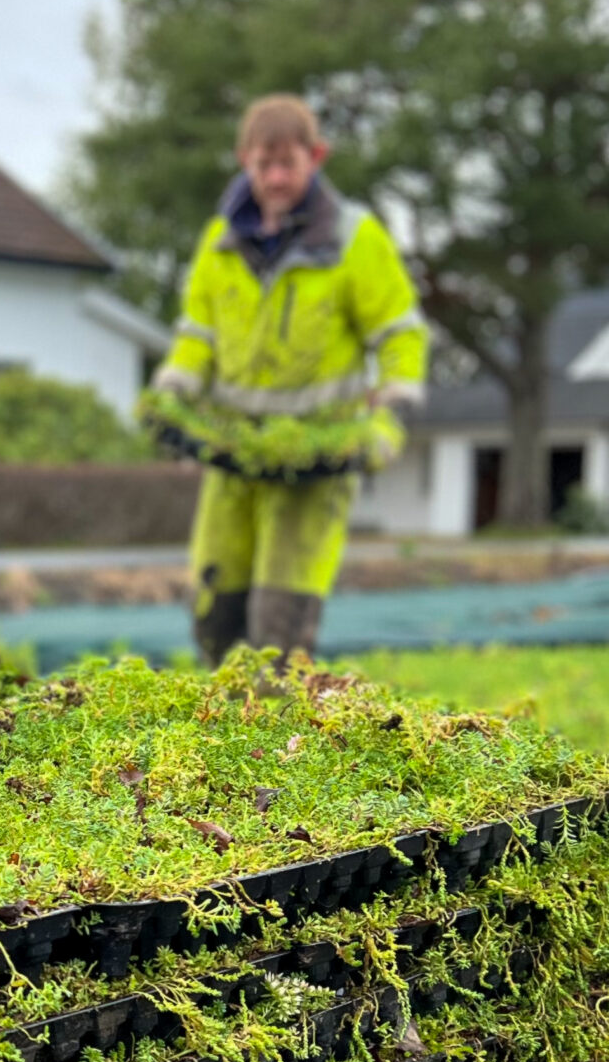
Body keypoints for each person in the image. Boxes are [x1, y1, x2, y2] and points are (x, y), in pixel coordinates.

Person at [149, 95, 426, 664]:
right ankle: (226, 737)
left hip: (315, 462)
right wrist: (174, 391)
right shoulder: (220, 241)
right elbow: (197, 334)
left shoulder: (353, 239)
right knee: (215, 613)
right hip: (235, 456)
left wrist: (392, 413)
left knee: (278, 628)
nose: (275, 178)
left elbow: (400, 333)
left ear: (316, 157)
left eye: (288, 165)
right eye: (263, 165)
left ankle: (279, 743)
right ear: (244, 159)